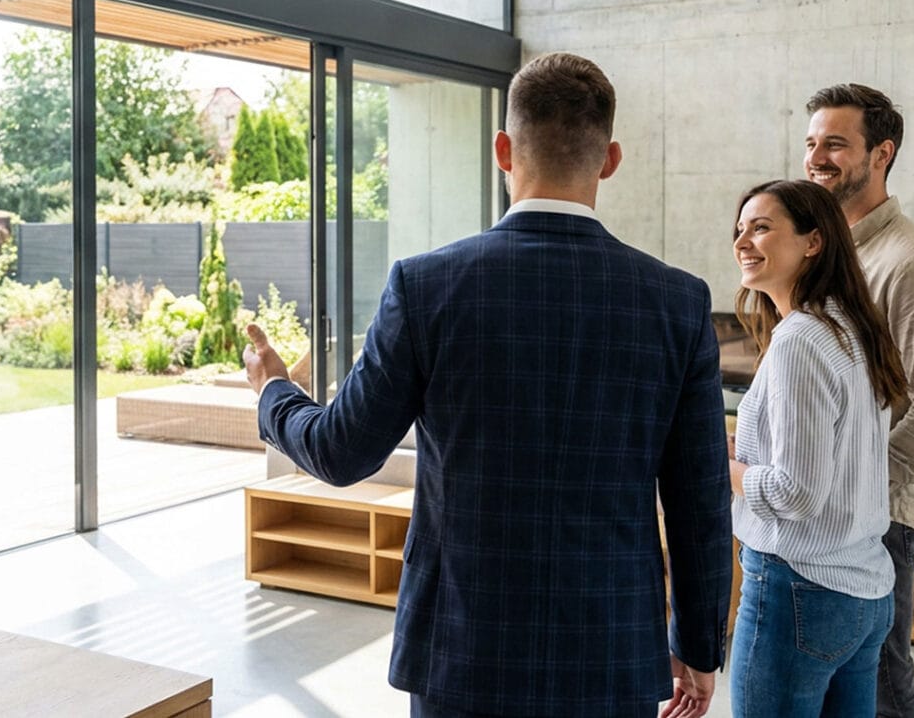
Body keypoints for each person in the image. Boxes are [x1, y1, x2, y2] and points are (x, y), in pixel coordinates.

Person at [242, 52, 733, 718]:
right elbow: (700, 501)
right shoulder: (677, 302)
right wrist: (699, 645)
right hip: (610, 651)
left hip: (463, 650)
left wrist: (273, 390)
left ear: (503, 149)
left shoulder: (426, 286)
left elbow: (340, 451)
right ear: (610, 160)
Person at [804, 83, 914, 718]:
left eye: (835, 144)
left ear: (882, 154)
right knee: (841, 686)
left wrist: (859, 488)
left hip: (879, 518)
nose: (816, 158)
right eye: (811, 143)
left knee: (881, 684)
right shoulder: (833, 252)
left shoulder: (913, 263)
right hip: (830, 512)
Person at [728, 179, 907, 717]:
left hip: (798, 590)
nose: (742, 242)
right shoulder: (851, 326)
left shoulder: (800, 339)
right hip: (864, 591)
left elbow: (796, 492)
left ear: (813, 241)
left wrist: (723, 465)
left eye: (761, 227)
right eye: (740, 229)